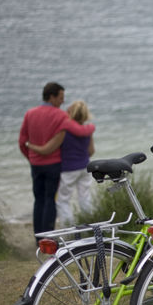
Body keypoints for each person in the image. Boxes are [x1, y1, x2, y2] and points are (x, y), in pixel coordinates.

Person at [19, 82, 95, 239]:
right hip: (56, 165)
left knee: (39, 200)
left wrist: (31, 156)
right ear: (52, 97)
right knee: (52, 200)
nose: (62, 102)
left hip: (37, 164)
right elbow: (80, 131)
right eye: (61, 98)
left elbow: (22, 141)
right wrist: (90, 128)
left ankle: (39, 238)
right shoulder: (60, 116)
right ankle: (52, 237)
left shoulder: (29, 113)